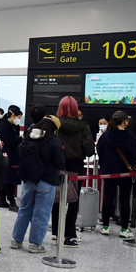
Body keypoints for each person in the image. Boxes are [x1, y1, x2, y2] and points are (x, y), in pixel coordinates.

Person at [10, 115, 65, 253]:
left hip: (28, 179)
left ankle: (16, 240)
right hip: (46, 181)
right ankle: (35, 244)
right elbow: (60, 163)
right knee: (41, 213)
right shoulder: (54, 141)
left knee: (24, 210)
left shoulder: (29, 136)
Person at [52, 97, 95, 248]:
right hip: (76, 166)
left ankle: (57, 233)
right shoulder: (84, 126)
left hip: (57, 164)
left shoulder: (54, 123)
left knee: (57, 198)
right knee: (73, 199)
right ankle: (69, 234)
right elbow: (90, 150)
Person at [96, 111, 136, 238]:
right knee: (124, 199)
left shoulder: (105, 136)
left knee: (108, 197)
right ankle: (124, 229)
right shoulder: (129, 136)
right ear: (125, 122)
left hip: (109, 171)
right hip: (125, 172)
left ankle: (105, 226)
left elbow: (99, 150)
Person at [0, 105, 24, 211]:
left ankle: (3, 200)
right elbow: (10, 141)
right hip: (7, 154)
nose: (18, 120)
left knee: (7, 177)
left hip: (13, 154)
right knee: (8, 178)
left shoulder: (13, 126)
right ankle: (10, 200)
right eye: (18, 117)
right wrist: (21, 139)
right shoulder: (5, 126)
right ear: (13, 115)